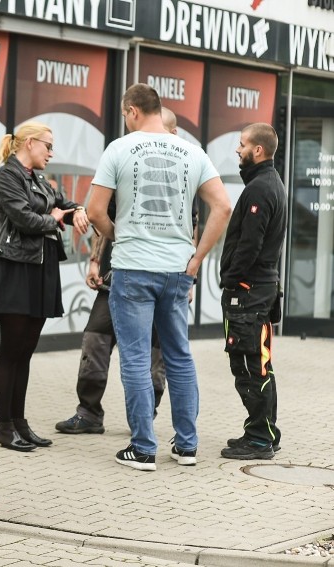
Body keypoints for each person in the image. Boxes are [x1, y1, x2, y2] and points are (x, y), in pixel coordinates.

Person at [88, 84, 231, 471]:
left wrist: (122, 236)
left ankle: (143, 448)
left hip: (135, 266)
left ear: (132, 111)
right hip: (177, 267)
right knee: (179, 356)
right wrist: (198, 257)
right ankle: (186, 446)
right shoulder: (191, 151)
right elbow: (222, 206)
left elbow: (95, 210)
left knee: (135, 358)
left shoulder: (119, 148)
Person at [55, 107, 182, 435]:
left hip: (163, 277)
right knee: (95, 340)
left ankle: (145, 415)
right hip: (117, 276)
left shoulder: (183, 169)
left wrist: (188, 275)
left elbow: (191, 228)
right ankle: (89, 413)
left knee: (155, 352)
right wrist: (96, 260)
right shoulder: (129, 161)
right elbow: (100, 214)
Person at [0, 122, 89, 452]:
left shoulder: (38, 178)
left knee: (25, 352)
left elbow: (61, 204)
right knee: (11, 350)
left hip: (38, 269)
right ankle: (4, 427)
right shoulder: (7, 175)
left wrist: (77, 210)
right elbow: (25, 219)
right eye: (48, 146)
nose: (51, 152)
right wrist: (55, 218)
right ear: (29, 143)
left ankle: (20, 423)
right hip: (14, 268)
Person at [219, 123, 287, 460]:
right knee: (259, 362)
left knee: (249, 364)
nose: (238, 149)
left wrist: (233, 280)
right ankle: (263, 432)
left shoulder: (261, 188)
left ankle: (260, 439)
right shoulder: (269, 183)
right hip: (260, 289)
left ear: (257, 150)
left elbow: (250, 245)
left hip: (249, 292)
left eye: (242, 144)